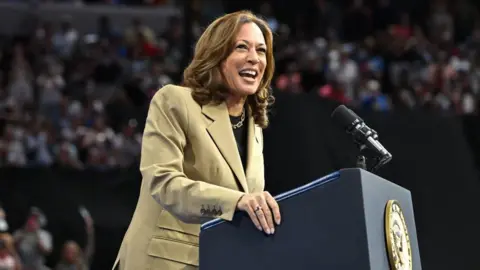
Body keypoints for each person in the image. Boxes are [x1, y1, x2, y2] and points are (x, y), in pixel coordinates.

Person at [112, 10, 281, 270]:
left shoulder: (253, 125)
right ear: (216, 55)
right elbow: (163, 182)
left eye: (261, 51)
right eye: (241, 47)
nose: (253, 58)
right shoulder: (175, 101)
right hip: (163, 261)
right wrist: (235, 201)